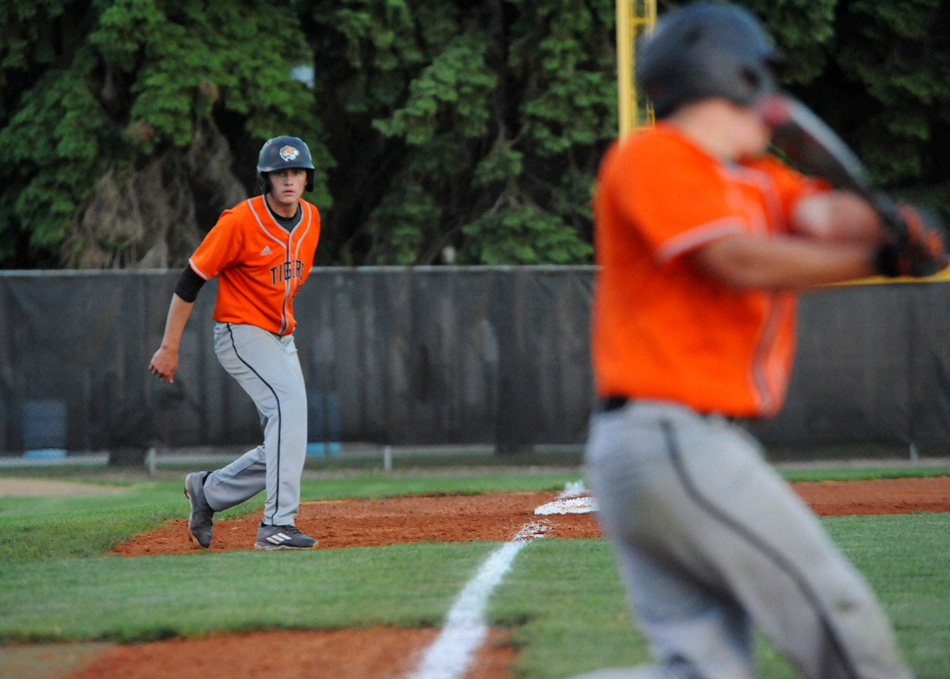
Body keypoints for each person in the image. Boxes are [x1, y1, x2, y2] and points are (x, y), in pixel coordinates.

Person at [572, 4, 946, 679]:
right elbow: (734, 260)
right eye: (762, 77)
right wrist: (880, 260)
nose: (772, 97)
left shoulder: (756, 175)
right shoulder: (653, 155)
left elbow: (824, 214)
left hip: (674, 444)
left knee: (702, 670)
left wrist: (894, 222)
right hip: (674, 440)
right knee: (840, 617)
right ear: (730, 74)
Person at [148, 135, 322, 551]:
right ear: (266, 178)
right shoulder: (239, 221)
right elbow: (191, 279)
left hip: (282, 336)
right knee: (290, 408)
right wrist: (169, 347)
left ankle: (209, 492)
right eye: (280, 173)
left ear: (306, 179)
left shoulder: (311, 219)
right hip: (240, 332)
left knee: (289, 434)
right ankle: (276, 526)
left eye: (296, 172)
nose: (289, 180)